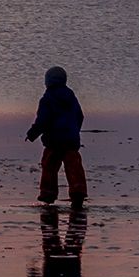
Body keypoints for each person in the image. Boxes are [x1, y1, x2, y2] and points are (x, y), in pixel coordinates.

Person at [24, 64, 87, 205]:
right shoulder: (71, 98)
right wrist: (74, 132)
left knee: (49, 167)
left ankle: (48, 194)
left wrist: (33, 133)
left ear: (48, 81)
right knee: (74, 167)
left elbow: (43, 120)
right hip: (70, 141)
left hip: (53, 142)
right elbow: (80, 116)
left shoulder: (47, 99)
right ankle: (78, 193)